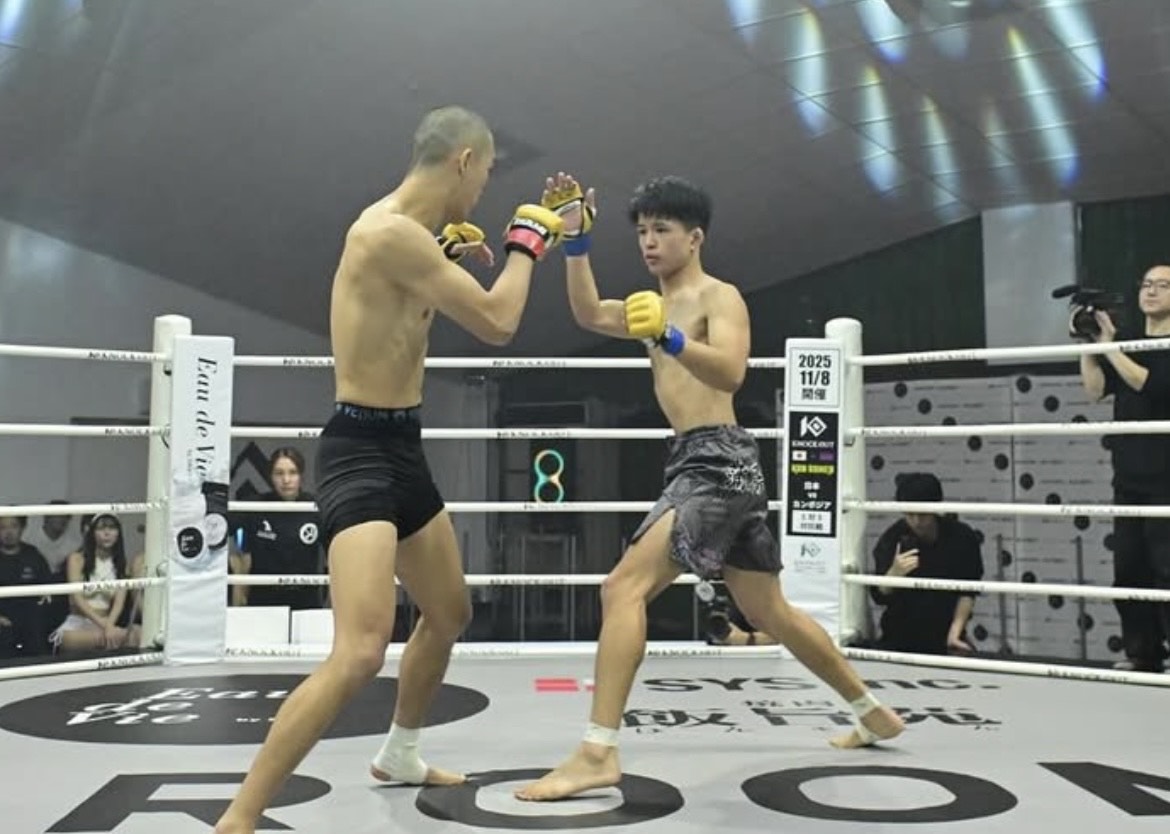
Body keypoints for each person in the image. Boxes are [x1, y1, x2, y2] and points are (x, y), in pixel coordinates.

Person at [214, 105, 564, 834]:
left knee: (450, 612)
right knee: (360, 651)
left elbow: (403, 308)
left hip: (404, 447)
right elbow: (499, 321)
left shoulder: (414, 240)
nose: (484, 191)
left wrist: (447, 249)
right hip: (358, 452)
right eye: (486, 174)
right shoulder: (387, 233)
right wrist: (528, 242)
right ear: (463, 161)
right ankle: (239, 819)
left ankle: (399, 753)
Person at [515, 173, 904, 802]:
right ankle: (870, 711)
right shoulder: (650, 304)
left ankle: (596, 753)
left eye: (661, 230)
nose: (648, 242)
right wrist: (577, 243)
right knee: (768, 611)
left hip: (717, 462)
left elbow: (731, 370)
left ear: (694, 238)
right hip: (702, 462)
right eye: (641, 231)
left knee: (622, 588)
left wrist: (668, 337)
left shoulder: (719, 297)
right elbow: (587, 313)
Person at [1080, 264, 1170, 673]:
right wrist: (1089, 346)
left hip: (1166, 478)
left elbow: (1149, 384)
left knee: (1167, 569)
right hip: (1129, 476)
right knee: (1129, 570)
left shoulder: (1140, 346)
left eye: (1162, 285)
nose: (1151, 291)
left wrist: (1112, 347)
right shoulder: (1127, 340)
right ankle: (1143, 653)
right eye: (1146, 284)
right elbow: (1096, 390)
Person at [869, 473, 983, 655]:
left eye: (922, 514)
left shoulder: (961, 536)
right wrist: (893, 574)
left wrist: (955, 634)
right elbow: (879, 595)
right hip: (898, 636)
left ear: (935, 508)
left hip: (945, 633)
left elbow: (968, 590)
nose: (916, 521)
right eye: (909, 514)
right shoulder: (893, 538)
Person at [229, 447, 325, 610]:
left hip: (306, 601)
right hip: (264, 600)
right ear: (271, 476)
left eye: (292, 472)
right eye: (279, 473)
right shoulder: (255, 506)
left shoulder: (315, 508)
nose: (286, 480)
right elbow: (220, 527)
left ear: (301, 476)